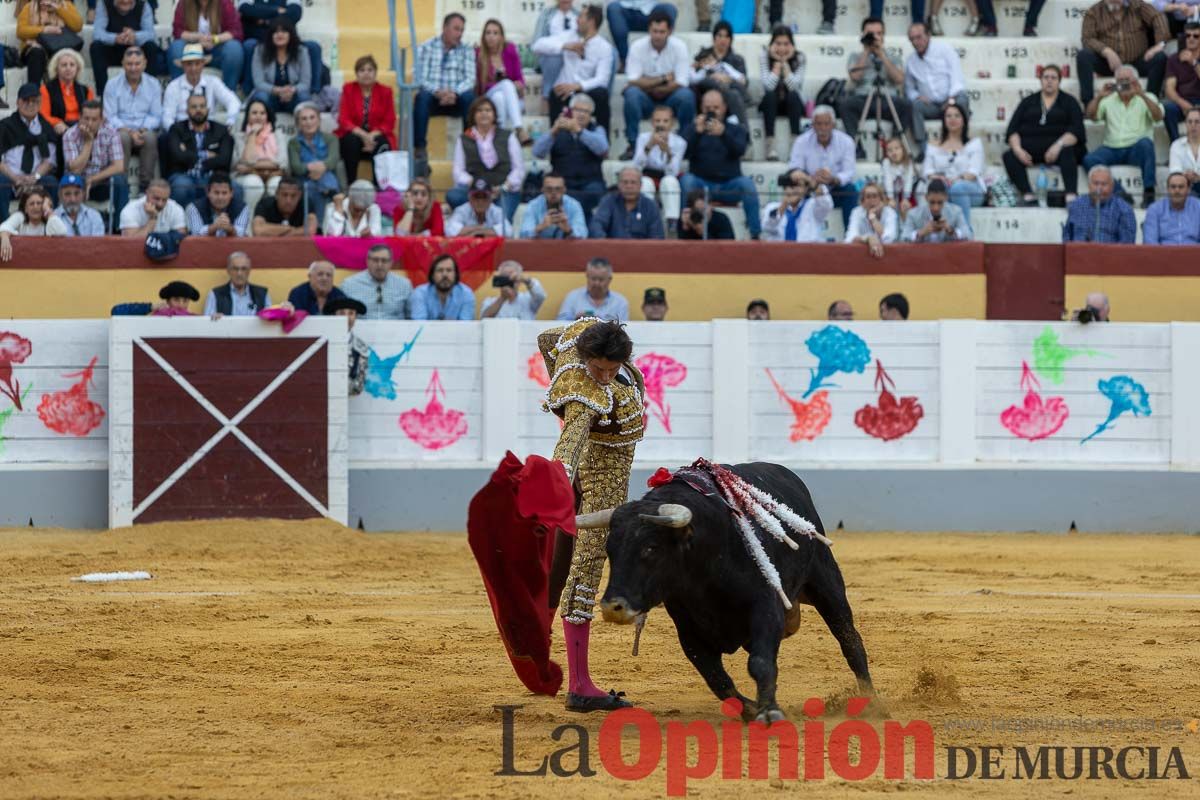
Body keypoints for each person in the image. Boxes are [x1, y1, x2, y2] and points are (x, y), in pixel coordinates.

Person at [536, 318, 645, 712]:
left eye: (612, 369)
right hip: (601, 478)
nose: (604, 376)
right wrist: (558, 481)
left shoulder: (579, 339)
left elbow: (547, 338)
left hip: (600, 471)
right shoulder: (584, 393)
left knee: (564, 558)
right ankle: (580, 684)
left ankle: (538, 643)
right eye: (597, 368)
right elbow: (570, 444)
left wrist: (560, 366)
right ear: (586, 359)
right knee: (587, 567)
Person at [681, 89, 760, 239]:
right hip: (701, 187)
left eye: (715, 108)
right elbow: (684, 153)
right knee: (686, 180)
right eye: (707, 108)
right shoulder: (693, 128)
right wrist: (696, 133)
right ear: (701, 108)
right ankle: (684, 226)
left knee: (747, 184)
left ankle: (755, 234)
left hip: (728, 186)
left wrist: (724, 134)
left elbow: (740, 150)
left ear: (724, 107)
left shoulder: (735, 129)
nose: (711, 111)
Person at [1003, 65, 1087, 206]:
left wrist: (1058, 146)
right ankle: (1028, 195)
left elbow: (1077, 131)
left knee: (1068, 151)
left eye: (1053, 78)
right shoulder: (1028, 102)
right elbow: (1012, 130)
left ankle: (1071, 194)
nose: (1049, 81)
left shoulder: (1069, 102)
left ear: (1059, 81)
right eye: (1046, 77)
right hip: (1032, 151)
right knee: (1009, 156)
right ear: (1040, 80)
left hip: (1060, 149)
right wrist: (1018, 150)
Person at [1083, 65, 1164, 208]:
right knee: (1089, 159)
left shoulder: (1148, 97)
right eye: (1120, 80)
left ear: (1136, 81)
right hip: (1112, 148)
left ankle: (1149, 192)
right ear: (1115, 82)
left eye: (1127, 80)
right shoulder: (1108, 99)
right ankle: (1120, 193)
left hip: (1136, 148)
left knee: (1146, 143)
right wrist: (1099, 97)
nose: (1123, 84)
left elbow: (1158, 117)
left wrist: (1142, 95)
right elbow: (1090, 115)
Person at [620, 10, 695, 161]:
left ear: (670, 31)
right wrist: (663, 79)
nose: (658, 36)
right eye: (654, 31)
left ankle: (684, 144)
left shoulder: (679, 47)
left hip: (670, 98)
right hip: (646, 98)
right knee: (632, 94)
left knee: (686, 96)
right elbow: (633, 80)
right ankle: (633, 145)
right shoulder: (637, 46)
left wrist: (647, 82)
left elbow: (681, 82)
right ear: (649, 30)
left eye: (662, 32)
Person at [533, 3, 615, 135]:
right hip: (567, 92)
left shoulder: (604, 47)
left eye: (581, 16)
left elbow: (602, 79)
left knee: (602, 94)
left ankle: (603, 144)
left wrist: (578, 86)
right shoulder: (570, 36)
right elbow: (537, 45)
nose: (576, 19)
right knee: (556, 93)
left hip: (586, 90)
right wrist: (565, 46)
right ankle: (556, 144)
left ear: (591, 21)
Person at [841, 17, 913, 158]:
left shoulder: (893, 57)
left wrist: (882, 55)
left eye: (879, 33)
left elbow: (899, 79)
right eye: (871, 34)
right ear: (863, 35)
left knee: (906, 105)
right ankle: (857, 149)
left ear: (884, 36)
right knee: (845, 104)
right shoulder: (855, 56)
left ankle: (894, 147)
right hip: (863, 98)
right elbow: (855, 77)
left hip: (888, 99)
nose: (875, 37)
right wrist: (867, 52)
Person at [532, 93, 608, 220]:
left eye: (586, 112)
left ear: (591, 116)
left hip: (590, 182)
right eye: (578, 110)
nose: (582, 114)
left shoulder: (597, 130)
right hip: (563, 183)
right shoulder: (558, 130)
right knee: (560, 194)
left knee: (590, 194)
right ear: (570, 111)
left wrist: (580, 131)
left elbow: (603, 149)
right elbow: (538, 152)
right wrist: (553, 132)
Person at [447, 96, 524, 222]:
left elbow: (518, 169)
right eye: (479, 110)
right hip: (475, 191)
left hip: (503, 190)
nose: (484, 114)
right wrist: (474, 185)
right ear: (473, 115)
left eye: (488, 110)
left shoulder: (508, 136)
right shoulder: (464, 138)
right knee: (453, 195)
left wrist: (504, 187)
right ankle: (474, 221)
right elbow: (458, 171)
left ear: (494, 115)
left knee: (503, 222)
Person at [1077, 0, 1168, 106]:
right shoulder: (1094, 12)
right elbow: (1087, 39)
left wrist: (1159, 45)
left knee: (1160, 57)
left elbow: (1158, 17)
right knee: (1083, 56)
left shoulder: (1138, 6)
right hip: (1108, 64)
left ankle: (1151, 102)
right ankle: (1089, 105)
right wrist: (1106, 51)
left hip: (1137, 62)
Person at [413, 13, 475, 159]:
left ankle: (470, 145)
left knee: (470, 98)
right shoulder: (426, 47)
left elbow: (470, 79)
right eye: (456, 29)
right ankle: (420, 148)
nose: (459, 34)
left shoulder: (467, 49)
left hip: (456, 100)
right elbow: (419, 77)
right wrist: (437, 92)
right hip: (433, 99)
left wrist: (454, 93)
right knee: (421, 97)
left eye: (462, 30)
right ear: (444, 28)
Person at [904, 21, 969, 160]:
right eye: (912, 39)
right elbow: (909, 89)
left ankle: (962, 142)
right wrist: (917, 96)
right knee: (915, 105)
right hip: (932, 106)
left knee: (962, 99)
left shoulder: (944, 50)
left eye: (919, 37)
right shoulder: (911, 61)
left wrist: (951, 99)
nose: (916, 42)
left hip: (952, 99)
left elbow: (957, 78)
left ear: (928, 35)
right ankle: (924, 150)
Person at [103, 46, 162, 195]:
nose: (133, 68)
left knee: (150, 137)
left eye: (137, 64)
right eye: (129, 64)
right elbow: (110, 117)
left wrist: (141, 130)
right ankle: (121, 185)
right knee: (121, 137)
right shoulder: (112, 84)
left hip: (143, 131)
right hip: (122, 131)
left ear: (145, 64)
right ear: (123, 64)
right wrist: (129, 131)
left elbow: (156, 116)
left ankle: (145, 187)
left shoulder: (153, 84)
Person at [788, 104, 857, 226]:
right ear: (813, 125)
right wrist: (811, 180)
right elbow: (795, 168)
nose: (822, 128)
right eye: (819, 124)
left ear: (833, 125)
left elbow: (849, 172)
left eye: (826, 124)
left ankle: (850, 235)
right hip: (810, 187)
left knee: (850, 190)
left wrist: (833, 179)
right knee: (795, 188)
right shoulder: (802, 141)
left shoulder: (846, 141)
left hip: (835, 188)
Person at [62, 100, 129, 222]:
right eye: (86, 119)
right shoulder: (70, 135)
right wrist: (88, 142)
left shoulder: (111, 133)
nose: (90, 123)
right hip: (78, 182)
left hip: (101, 181)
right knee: (72, 180)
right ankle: (73, 226)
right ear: (79, 117)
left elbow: (119, 166)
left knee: (120, 181)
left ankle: (120, 227)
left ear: (101, 120)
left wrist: (92, 179)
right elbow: (75, 169)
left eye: (94, 119)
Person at [163, 93, 235, 206]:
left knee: (235, 188)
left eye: (202, 106)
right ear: (187, 111)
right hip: (183, 173)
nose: (199, 110)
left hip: (213, 174)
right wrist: (207, 154)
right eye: (194, 107)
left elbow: (225, 159)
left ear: (208, 109)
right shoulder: (176, 129)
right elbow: (176, 156)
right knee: (182, 187)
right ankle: (181, 222)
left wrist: (187, 152)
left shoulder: (221, 130)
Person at [239, 1, 323, 97]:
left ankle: (314, 93)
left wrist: (265, 20)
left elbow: (295, 13)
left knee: (313, 47)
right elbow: (246, 10)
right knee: (249, 46)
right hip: (258, 39)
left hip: (288, 40)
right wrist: (277, 11)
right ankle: (248, 92)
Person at [336, 55, 397, 186]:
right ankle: (351, 185)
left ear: (375, 73)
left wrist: (371, 136)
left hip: (376, 134)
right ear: (356, 73)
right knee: (350, 141)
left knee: (382, 143)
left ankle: (378, 186)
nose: (366, 73)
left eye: (370, 70)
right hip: (356, 134)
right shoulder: (348, 89)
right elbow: (344, 119)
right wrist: (364, 136)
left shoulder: (385, 91)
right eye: (362, 70)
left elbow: (389, 121)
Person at [0, 83, 60, 214]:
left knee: (51, 182)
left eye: (34, 101)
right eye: (26, 100)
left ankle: (51, 225)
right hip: (11, 178)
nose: (30, 104)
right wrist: (16, 179)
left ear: (40, 104)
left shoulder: (46, 128)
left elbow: (49, 161)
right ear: (17, 102)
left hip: (37, 179)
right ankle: (2, 226)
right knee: (0, 182)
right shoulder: (5, 126)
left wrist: (34, 177)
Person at [922, 103, 985, 221]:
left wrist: (955, 180)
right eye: (948, 116)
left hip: (971, 189)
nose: (953, 119)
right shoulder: (933, 146)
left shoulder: (974, 143)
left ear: (964, 120)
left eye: (957, 116)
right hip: (944, 187)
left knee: (957, 188)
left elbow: (973, 172)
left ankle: (965, 233)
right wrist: (940, 179)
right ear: (944, 120)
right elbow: (927, 171)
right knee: (938, 189)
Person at [169, 0, 244, 92]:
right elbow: (177, 31)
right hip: (192, 50)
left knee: (234, 48)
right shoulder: (184, 3)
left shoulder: (224, 3)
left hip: (217, 52)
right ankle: (179, 93)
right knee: (176, 47)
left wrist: (214, 39)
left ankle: (229, 93)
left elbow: (236, 31)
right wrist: (197, 38)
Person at [90, 0, 162, 96]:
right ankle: (102, 94)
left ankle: (149, 92)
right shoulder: (104, 4)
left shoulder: (143, 5)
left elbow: (150, 34)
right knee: (96, 47)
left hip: (135, 51)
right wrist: (115, 38)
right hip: (112, 49)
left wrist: (135, 36)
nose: (125, 1)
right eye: (122, 1)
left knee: (151, 47)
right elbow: (97, 33)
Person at [162, 42, 242, 128]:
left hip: (208, 131)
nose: (193, 68)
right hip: (182, 130)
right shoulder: (173, 87)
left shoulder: (213, 82)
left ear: (203, 65)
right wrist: (176, 135)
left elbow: (233, 101)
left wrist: (230, 122)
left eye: (197, 64)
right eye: (189, 64)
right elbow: (167, 117)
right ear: (183, 66)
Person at [633, 105, 686, 227]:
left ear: (672, 123)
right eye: (657, 121)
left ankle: (672, 222)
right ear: (652, 122)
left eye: (665, 121)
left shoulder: (680, 142)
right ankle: (646, 222)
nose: (661, 124)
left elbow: (672, 172)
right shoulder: (643, 138)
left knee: (670, 181)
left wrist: (668, 153)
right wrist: (649, 146)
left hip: (666, 176)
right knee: (645, 183)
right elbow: (636, 167)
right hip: (647, 174)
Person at [288, 102, 341, 224]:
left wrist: (321, 168)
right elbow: (296, 167)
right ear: (298, 123)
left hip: (326, 176)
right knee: (313, 186)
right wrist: (314, 168)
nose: (308, 122)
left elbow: (333, 160)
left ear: (319, 120)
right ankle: (325, 224)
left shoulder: (331, 139)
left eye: (312, 117)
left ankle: (318, 227)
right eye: (304, 119)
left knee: (324, 180)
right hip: (305, 180)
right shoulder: (293, 143)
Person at [758, 26, 806, 162]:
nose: (782, 48)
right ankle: (770, 146)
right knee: (770, 96)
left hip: (792, 105)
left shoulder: (800, 58)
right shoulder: (764, 56)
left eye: (786, 44)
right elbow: (768, 86)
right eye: (778, 44)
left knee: (793, 96)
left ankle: (795, 146)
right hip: (771, 104)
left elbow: (794, 87)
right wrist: (776, 67)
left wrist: (785, 65)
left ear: (792, 45)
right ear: (772, 44)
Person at [232, 97, 286, 212]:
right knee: (254, 184)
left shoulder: (277, 135)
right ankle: (249, 222)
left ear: (267, 116)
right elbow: (245, 162)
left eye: (262, 113)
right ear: (248, 116)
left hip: (273, 175)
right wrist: (252, 134)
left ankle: (272, 222)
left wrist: (252, 168)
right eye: (254, 113)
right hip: (246, 177)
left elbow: (282, 163)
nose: (258, 116)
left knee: (277, 184)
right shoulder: (239, 136)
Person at [475, 19, 526, 139]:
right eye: (488, 33)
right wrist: (497, 83)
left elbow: (520, 79)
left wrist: (518, 85)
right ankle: (519, 128)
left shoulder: (510, 50)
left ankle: (499, 137)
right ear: (483, 36)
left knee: (500, 98)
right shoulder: (478, 54)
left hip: (513, 100)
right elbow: (480, 87)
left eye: (495, 33)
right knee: (504, 87)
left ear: (501, 37)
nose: (491, 37)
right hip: (489, 97)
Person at [690, 21, 749, 123]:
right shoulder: (703, 55)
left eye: (726, 36)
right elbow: (695, 76)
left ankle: (743, 133)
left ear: (730, 39)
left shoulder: (737, 59)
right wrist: (713, 76)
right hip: (707, 92)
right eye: (720, 35)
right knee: (709, 81)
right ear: (714, 38)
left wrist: (727, 79)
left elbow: (743, 82)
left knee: (734, 93)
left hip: (728, 95)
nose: (723, 40)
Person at [249, 16, 310, 113]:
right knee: (261, 97)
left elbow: (305, 83)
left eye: (284, 31)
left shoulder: (301, 51)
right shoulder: (260, 51)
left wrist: (292, 90)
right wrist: (278, 90)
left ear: (291, 34)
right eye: (276, 32)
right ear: (270, 35)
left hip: (293, 96)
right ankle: (262, 128)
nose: (280, 35)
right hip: (270, 95)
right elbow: (259, 82)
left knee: (304, 97)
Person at [16, 0, 84, 85]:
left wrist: (58, 8)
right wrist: (44, 30)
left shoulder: (66, 5)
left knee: (64, 56)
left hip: (59, 46)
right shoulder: (29, 7)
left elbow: (78, 26)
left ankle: (62, 93)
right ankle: (34, 93)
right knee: (37, 53)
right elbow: (20, 31)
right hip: (35, 47)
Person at [1063, 165, 1137, 242]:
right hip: (1076, 253)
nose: (1099, 188)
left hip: (1109, 253)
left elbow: (1127, 245)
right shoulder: (1077, 205)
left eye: (1104, 184)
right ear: (1089, 185)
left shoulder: (1124, 209)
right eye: (1095, 183)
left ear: (1112, 187)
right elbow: (1067, 236)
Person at [340, 244, 412, 320]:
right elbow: (341, 316)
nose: (379, 265)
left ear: (391, 263)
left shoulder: (404, 285)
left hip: (397, 330)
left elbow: (411, 317)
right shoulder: (349, 284)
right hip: (361, 330)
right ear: (367, 261)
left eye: (384, 261)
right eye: (375, 260)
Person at [590, 166, 664, 239]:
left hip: (641, 250)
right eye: (625, 182)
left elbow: (656, 236)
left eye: (633, 182)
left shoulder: (651, 206)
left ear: (640, 185)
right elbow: (597, 225)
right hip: (612, 249)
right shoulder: (608, 201)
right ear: (618, 185)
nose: (629, 186)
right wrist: (606, 246)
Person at [760, 169, 833, 242]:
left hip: (807, 251)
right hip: (780, 252)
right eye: (790, 185)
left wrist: (807, 178)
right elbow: (768, 226)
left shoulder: (813, 205)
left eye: (798, 185)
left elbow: (826, 204)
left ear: (806, 188)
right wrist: (784, 204)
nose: (794, 189)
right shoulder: (773, 207)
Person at [40, 50, 94, 139]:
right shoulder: (45, 89)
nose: (68, 68)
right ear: (56, 69)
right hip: (59, 128)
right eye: (64, 65)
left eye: (72, 65)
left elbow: (91, 114)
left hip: (81, 127)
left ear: (77, 69)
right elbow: (43, 115)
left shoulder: (86, 90)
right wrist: (57, 122)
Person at [0, 188, 66, 260]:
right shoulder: (20, 216)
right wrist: (5, 236)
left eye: (39, 203)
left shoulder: (50, 221)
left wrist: (48, 210)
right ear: (26, 209)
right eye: (31, 204)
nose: (35, 207)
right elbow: (4, 226)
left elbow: (61, 232)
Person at [531, 0, 579, 101]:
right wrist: (563, 46)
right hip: (550, 57)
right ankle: (548, 96)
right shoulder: (547, 14)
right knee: (555, 58)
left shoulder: (578, 15)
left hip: (573, 58)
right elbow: (536, 44)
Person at [519, 172, 588, 240]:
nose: (553, 193)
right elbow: (522, 235)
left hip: (566, 249)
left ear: (564, 190)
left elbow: (583, 234)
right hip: (540, 249)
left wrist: (568, 230)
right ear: (542, 190)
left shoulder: (574, 205)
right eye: (549, 189)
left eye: (558, 189)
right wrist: (541, 227)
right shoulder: (533, 206)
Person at [325, 296, 371, 396]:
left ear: (355, 317)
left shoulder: (361, 348)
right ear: (334, 316)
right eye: (342, 313)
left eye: (351, 313)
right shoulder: (324, 342)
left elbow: (358, 387)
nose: (346, 317)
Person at [556, 258, 629, 321]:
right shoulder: (573, 297)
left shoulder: (620, 302)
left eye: (601, 279)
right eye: (593, 279)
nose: (596, 283)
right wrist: (575, 320)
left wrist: (602, 324)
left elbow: (623, 331)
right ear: (587, 277)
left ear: (609, 279)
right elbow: (559, 324)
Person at [607, 1, 677, 65]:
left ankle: (666, 57)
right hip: (625, 11)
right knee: (613, 8)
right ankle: (626, 61)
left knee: (670, 9)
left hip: (651, 11)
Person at [901, 178, 972, 242]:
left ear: (946, 198)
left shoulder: (956, 211)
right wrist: (921, 233)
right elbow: (903, 238)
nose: (936, 208)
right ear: (926, 198)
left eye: (940, 202)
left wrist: (950, 230)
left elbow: (969, 235)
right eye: (932, 202)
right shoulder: (913, 214)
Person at [205, 250, 272, 317]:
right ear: (228, 270)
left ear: (249, 271)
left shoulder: (262, 294)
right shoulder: (215, 294)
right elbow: (206, 324)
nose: (239, 273)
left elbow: (269, 322)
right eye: (235, 269)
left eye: (243, 269)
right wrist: (214, 320)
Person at [410, 254, 476, 321]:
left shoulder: (466, 294)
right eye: (440, 270)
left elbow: (466, 326)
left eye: (449, 270)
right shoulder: (420, 293)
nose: (445, 274)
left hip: (458, 332)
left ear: (456, 274)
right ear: (432, 275)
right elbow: (418, 324)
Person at [1164, 21, 1200, 144]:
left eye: (1196, 36)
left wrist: (1194, 63)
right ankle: (1175, 147)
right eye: (1188, 36)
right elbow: (1169, 89)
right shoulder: (1174, 59)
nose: (1191, 39)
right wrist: (1185, 105)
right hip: (1183, 102)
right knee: (1168, 109)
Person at [845, 183, 899, 258]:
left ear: (881, 199)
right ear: (862, 201)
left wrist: (872, 217)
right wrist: (868, 238)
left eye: (875, 196)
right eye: (868, 197)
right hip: (861, 256)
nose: (872, 200)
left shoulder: (890, 212)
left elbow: (889, 238)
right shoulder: (856, 212)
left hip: (887, 256)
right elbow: (850, 238)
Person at [1143, 172, 1200, 244]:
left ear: (1188, 190)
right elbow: (1150, 243)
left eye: (1181, 187)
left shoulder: (1198, 207)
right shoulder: (1155, 209)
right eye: (1173, 187)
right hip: (1164, 254)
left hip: (1194, 254)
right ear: (1167, 189)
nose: (1177, 190)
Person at [186, 171, 248, 236]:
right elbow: (196, 234)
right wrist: (214, 227)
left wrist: (230, 229)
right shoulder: (194, 207)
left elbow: (241, 233)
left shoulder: (242, 207)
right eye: (216, 192)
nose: (220, 197)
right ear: (207, 192)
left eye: (224, 193)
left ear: (231, 193)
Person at [119, 177, 187, 236]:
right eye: (156, 198)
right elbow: (131, 243)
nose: (160, 204)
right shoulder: (130, 210)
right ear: (147, 193)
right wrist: (153, 218)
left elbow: (180, 240)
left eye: (164, 200)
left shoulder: (176, 209)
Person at [251, 175, 316, 236]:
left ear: (299, 196)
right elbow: (258, 230)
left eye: (293, 196)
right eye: (284, 195)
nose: (288, 200)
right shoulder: (265, 203)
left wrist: (275, 231)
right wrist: (289, 229)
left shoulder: (306, 203)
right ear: (277, 194)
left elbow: (311, 230)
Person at [480, 260, 546, 320]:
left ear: (519, 281)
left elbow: (541, 296)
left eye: (512, 279)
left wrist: (526, 280)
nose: (509, 281)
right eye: (505, 277)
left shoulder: (528, 300)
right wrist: (502, 298)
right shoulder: (489, 301)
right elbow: (484, 319)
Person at [445, 178, 511, 237]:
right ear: (469, 198)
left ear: (491, 198)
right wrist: (484, 230)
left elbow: (508, 231)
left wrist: (476, 233)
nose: (480, 202)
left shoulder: (497, 211)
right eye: (476, 197)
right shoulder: (461, 210)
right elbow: (450, 231)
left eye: (484, 197)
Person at [881, 135, 922, 218]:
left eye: (897, 148)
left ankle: (906, 227)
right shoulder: (886, 163)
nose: (894, 152)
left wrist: (905, 198)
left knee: (906, 207)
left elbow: (908, 181)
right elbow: (888, 180)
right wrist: (890, 197)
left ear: (903, 149)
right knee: (889, 207)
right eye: (890, 150)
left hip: (905, 193)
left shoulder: (908, 163)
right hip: (889, 192)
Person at [1169, 107, 1200, 196]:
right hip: (1185, 189)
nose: (1193, 125)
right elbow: (1174, 172)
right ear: (1185, 124)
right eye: (1189, 122)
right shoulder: (1176, 145)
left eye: (1197, 122)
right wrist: (1185, 176)